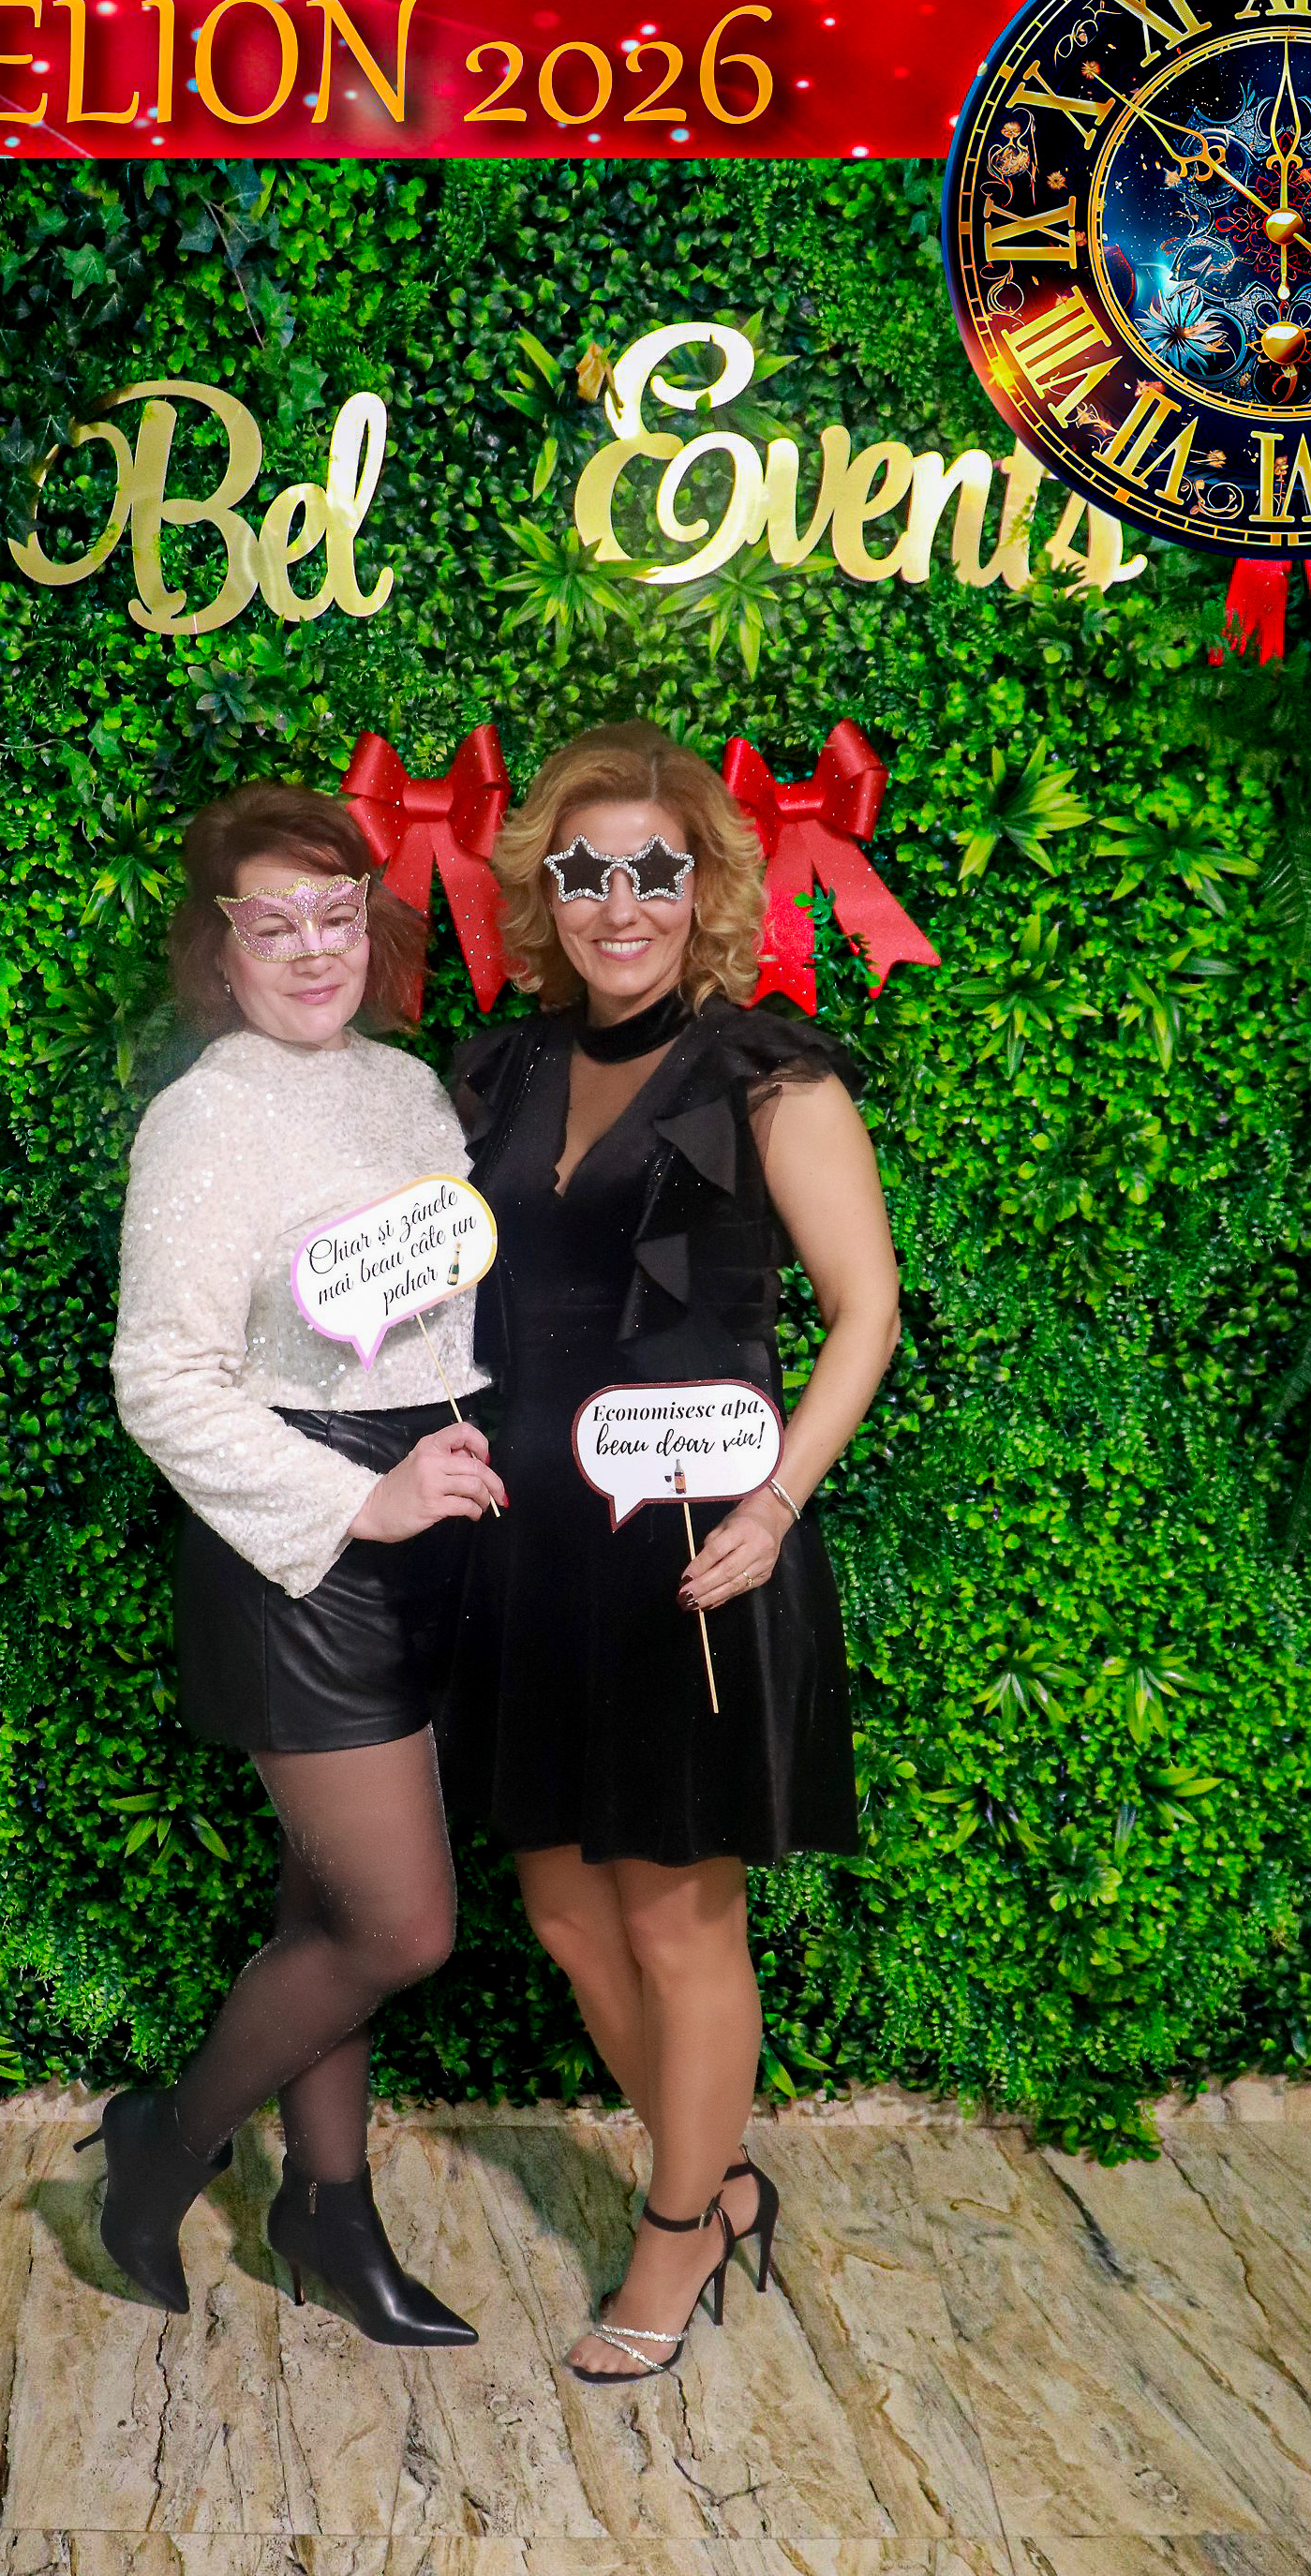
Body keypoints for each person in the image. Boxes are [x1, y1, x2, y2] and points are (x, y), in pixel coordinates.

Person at [442, 722, 902, 2382]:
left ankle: (674, 2225)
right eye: (585, 870)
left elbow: (866, 1312)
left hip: (697, 1548)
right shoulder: (497, 1070)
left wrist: (776, 1508)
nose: (618, 903)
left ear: (704, 888)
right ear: (543, 889)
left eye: (653, 870)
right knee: (567, 1915)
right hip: (528, 1546)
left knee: (675, 1926)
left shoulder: (772, 1075)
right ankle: (717, 2182)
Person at [97, 781, 502, 2342]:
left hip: (425, 1521)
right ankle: (169, 2141)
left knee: (328, 1903)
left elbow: (427, 1313)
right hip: (303, 1551)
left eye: (337, 913)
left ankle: (330, 2211)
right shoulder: (204, 1120)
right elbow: (164, 1381)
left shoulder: (408, 1088)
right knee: (400, 1927)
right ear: (220, 949)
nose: (315, 948)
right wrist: (361, 1503)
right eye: (274, 924)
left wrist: (454, 1452)